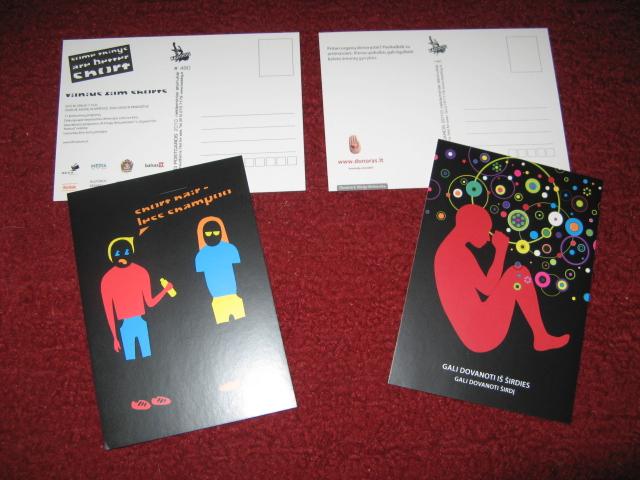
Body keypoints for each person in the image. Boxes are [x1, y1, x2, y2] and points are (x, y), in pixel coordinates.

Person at [434, 204, 569, 353]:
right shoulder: (456, 252)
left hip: (474, 331)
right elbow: (487, 288)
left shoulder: (448, 248)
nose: (487, 238)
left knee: (517, 274)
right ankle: (541, 337)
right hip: (480, 333)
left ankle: (541, 337)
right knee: (518, 274)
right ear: (471, 227)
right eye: (485, 231)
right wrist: (500, 251)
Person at [100, 236, 175, 410]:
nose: (122, 256)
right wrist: (114, 337)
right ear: (112, 255)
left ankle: (155, 394)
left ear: (131, 252)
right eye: (118, 253)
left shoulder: (141, 272)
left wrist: (165, 290)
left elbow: (150, 302)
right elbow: (108, 311)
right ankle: (136, 398)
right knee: (132, 362)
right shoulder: (108, 279)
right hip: (125, 326)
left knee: (148, 359)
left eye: (126, 252)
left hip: (141, 323)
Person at [195, 217, 245, 324]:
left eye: (216, 232)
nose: (212, 235)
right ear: (203, 235)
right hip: (216, 299)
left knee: (243, 323)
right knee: (223, 327)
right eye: (208, 233)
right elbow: (200, 279)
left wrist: (242, 291)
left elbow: (239, 270)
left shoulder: (230, 249)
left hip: (234, 295)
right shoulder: (201, 256)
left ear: (221, 232)